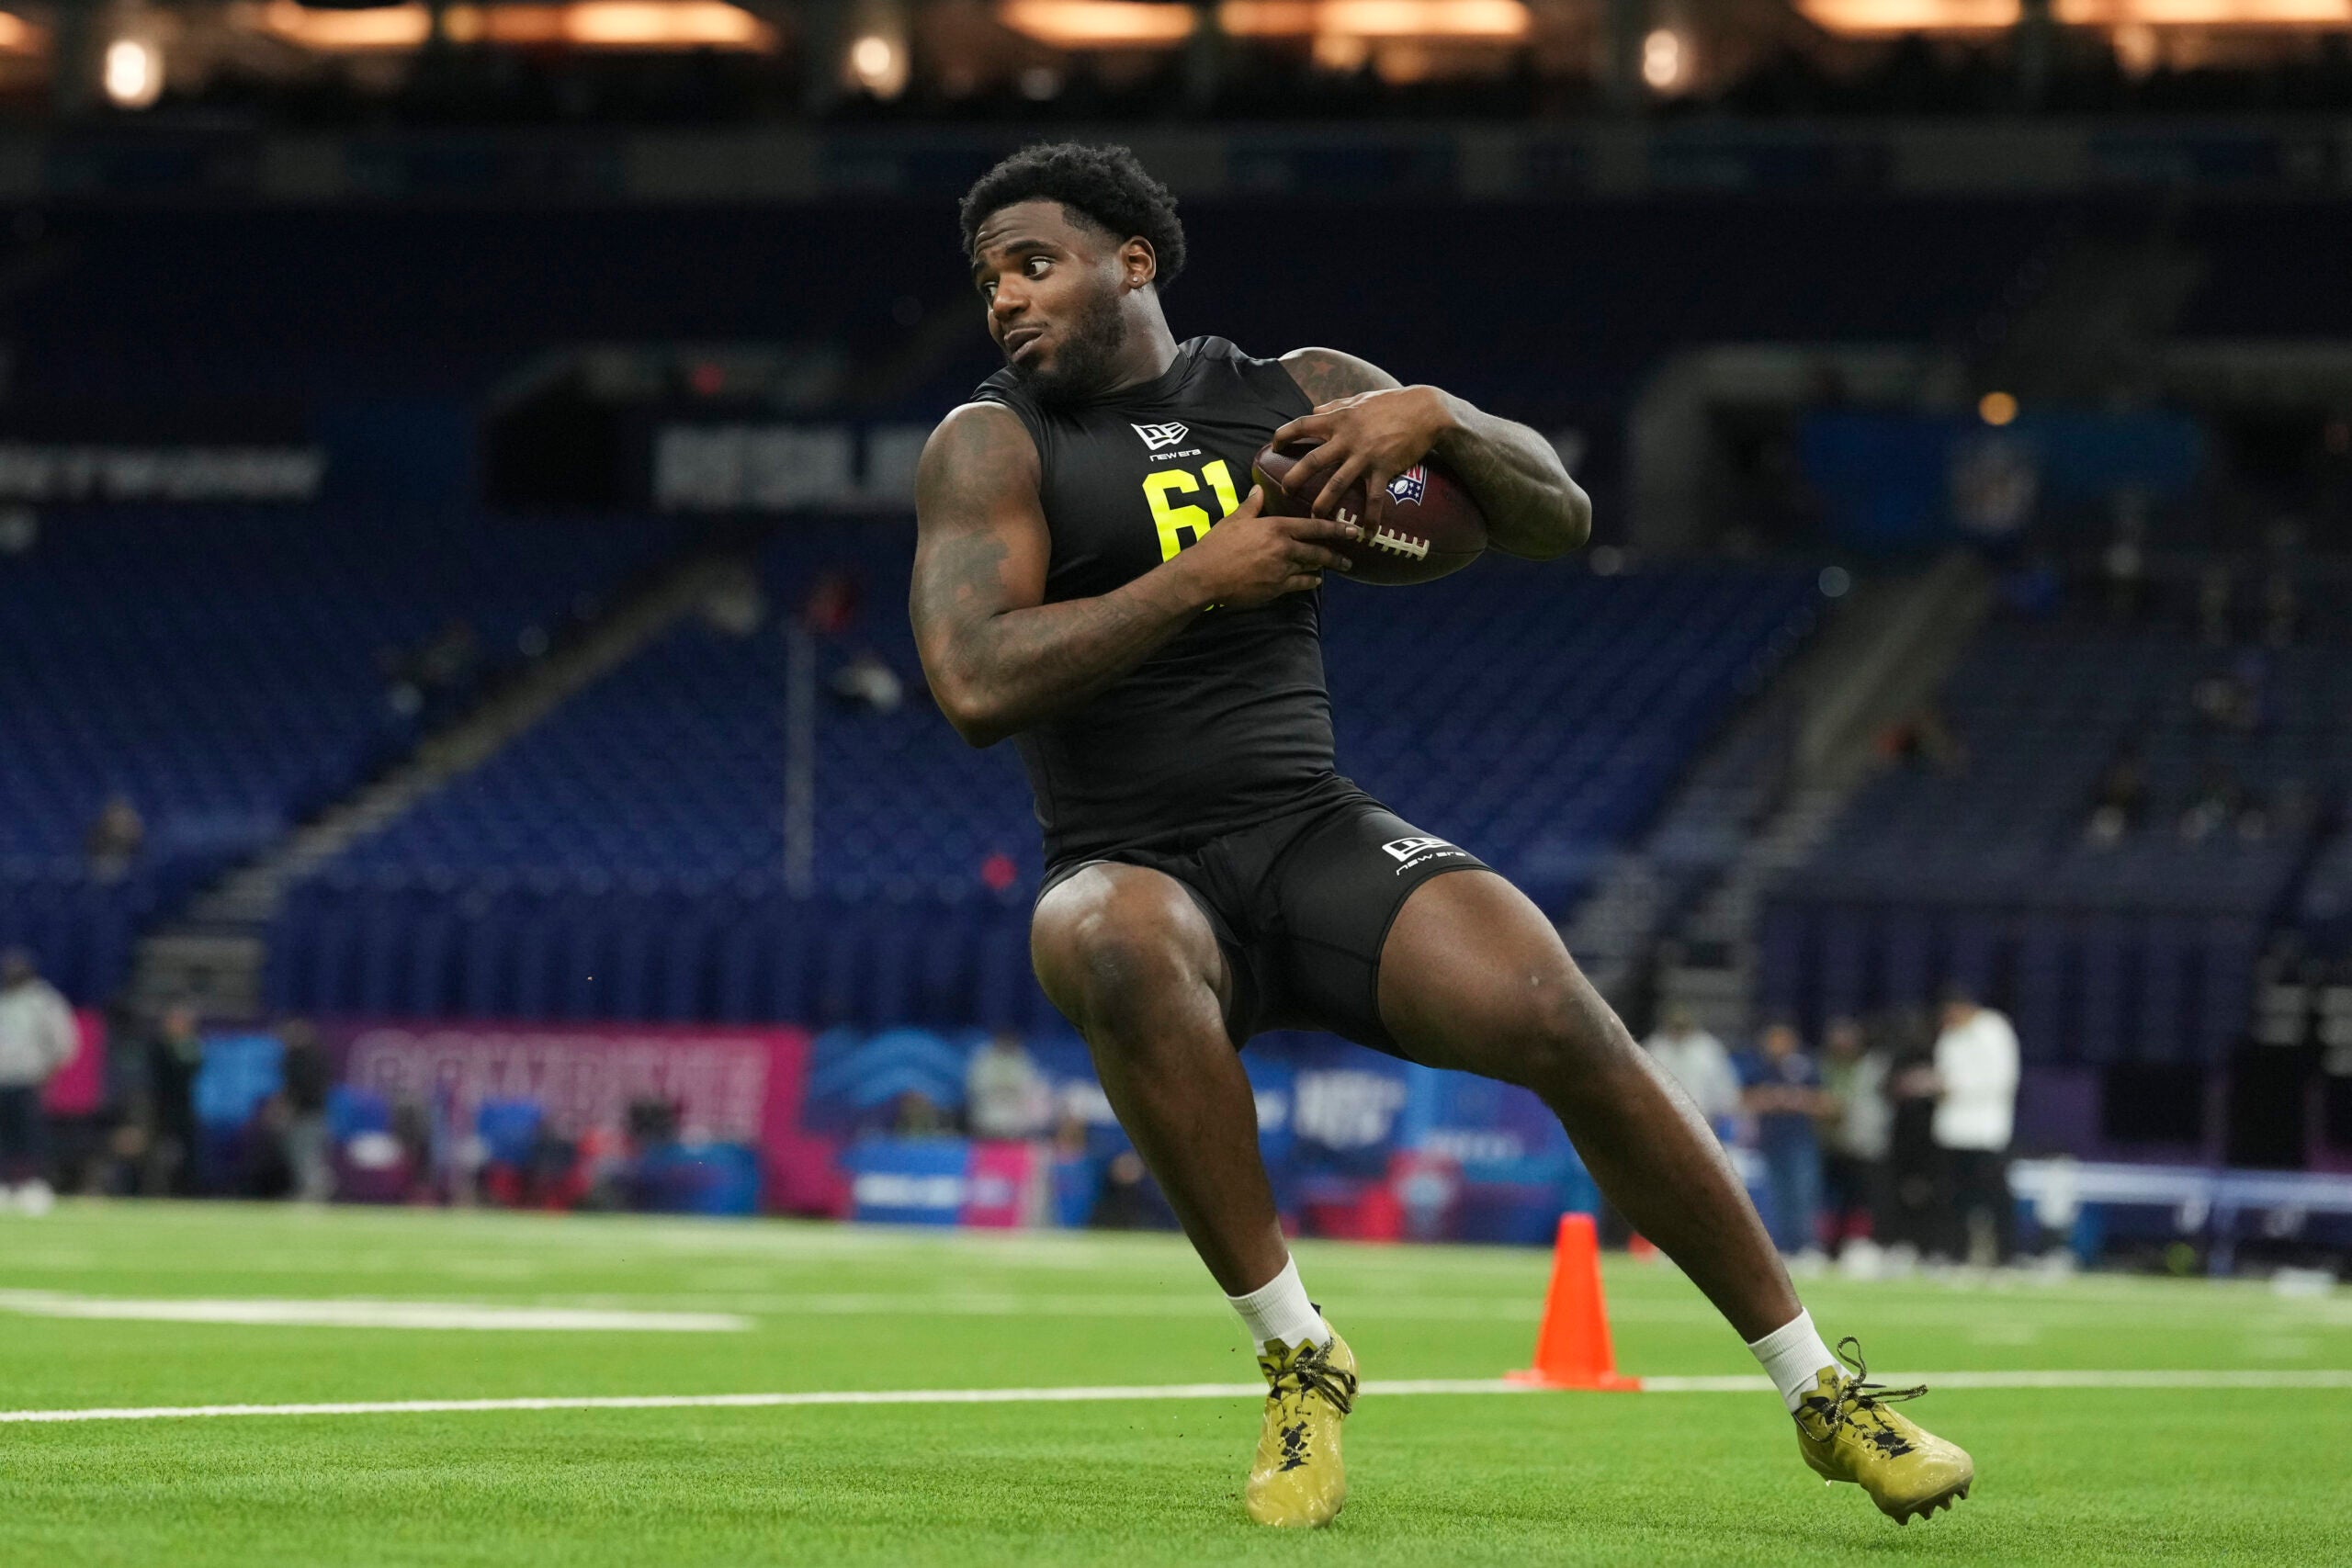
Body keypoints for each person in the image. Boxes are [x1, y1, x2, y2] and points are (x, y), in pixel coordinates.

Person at [909, 142, 1972, 1530]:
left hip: (1307, 830)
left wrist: (1440, 416)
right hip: (1131, 857)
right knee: (1103, 932)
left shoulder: (1299, 391)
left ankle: (1820, 1389)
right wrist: (1199, 578)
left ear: (1133, 261)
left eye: (1032, 263)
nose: (1003, 297)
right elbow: (973, 680)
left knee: (1559, 1011)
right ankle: (1299, 1354)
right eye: (988, 278)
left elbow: (1555, 517)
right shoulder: (989, 441)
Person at [1928, 987, 2021, 1266]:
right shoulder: (1949, 1035)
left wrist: (1953, 1087)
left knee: (1995, 1197)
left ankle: (2005, 1256)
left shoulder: (1994, 1030)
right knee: (1955, 1198)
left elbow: (2002, 1080)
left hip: (1986, 1131)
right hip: (1952, 1132)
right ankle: (1955, 1254)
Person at [1740, 1021, 1826, 1264]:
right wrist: (1770, 1099)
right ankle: (1781, 1249)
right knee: (1776, 1199)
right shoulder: (1760, 1068)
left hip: (1799, 1141)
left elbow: (1826, 1102)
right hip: (1770, 1142)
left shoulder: (1804, 1067)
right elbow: (1743, 1098)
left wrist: (1798, 1100)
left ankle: (1806, 1246)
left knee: (1802, 1196)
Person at [0, 950, 78, 1213]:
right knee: (4, 1136)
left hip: (28, 1080)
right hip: (2, 1081)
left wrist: (47, 1073)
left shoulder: (44, 1002)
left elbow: (63, 1042)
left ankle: (34, 1184)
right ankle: (5, 1184)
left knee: (30, 1136)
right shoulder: (3, 1001)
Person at [1815, 1017, 1891, 1257]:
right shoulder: (1827, 1068)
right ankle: (1830, 1246)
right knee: (1833, 1200)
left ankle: (1860, 1243)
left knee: (1862, 1199)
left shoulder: (1874, 1067)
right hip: (1834, 1143)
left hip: (1866, 1144)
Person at [1641, 1005, 1741, 1138]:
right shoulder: (1654, 1048)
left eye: (1682, 1026)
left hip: (1702, 1123)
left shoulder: (1708, 1049)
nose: (1678, 1030)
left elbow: (1726, 1093)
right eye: (1676, 1026)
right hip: (1659, 1122)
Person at [965, 1032, 1050, 1141]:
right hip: (990, 1102)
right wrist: (999, 1092)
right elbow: (976, 1084)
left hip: (1015, 1103)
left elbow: (1028, 1083)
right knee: (990, 1114)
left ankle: (1017, 1142)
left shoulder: (1023, 1057)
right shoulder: (983, 1056)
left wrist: (1012, 1093)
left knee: (1032, 1108)